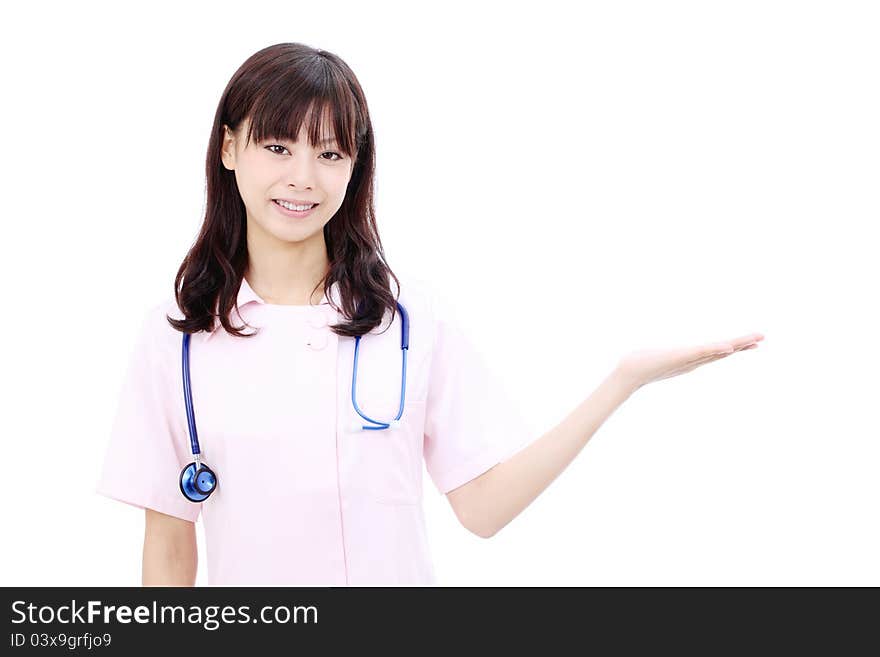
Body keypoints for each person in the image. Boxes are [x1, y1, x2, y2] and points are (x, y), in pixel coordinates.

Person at [96, 42, 764, 587]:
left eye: (330, 153)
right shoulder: (175, 338)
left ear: (355, 169)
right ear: (229, 148)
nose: (303, 176)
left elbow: (484, 507)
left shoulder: (409, 320)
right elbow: (169, 555)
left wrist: (622, 381)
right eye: (277, 147)